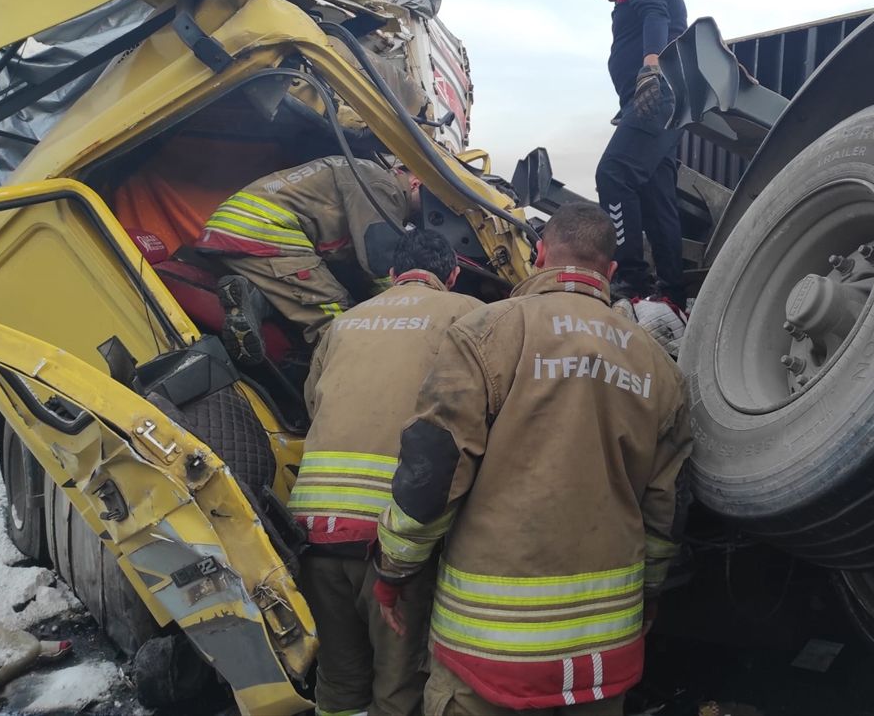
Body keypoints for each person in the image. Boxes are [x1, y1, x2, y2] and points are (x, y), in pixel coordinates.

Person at [374, 202, 692, 715]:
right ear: (610, 269)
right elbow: (667, 508)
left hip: (487, 651)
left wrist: (394, 571)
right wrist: (649, 593)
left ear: (540, 254)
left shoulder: (485, 332)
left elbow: (433, 472)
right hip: (600, 656)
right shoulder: (660, 367)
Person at [288, 229, 480, 716]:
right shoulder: (467, 315)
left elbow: (313, 404)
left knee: (338, 683)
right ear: (453, 275)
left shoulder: (343, 323)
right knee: (397, 689)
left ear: (392, 275)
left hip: (310, 532)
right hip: (390, 538)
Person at [196, 154, 422, 362]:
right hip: (263, 231)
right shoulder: (385, 186)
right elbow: (379, 262)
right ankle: (354, 372)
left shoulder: (365, 170)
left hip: (232, 229)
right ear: (416, 184)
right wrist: (411, 309)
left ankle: (256, 298)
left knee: (303, 291)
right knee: (337, 318)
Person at [582, 0, 689, 308]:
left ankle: (630, 278)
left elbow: (657, 13)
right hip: (648, 98)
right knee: (658, 199)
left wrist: (650, 65)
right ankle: (672, 294)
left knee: (613, 174)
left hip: (656, 94)